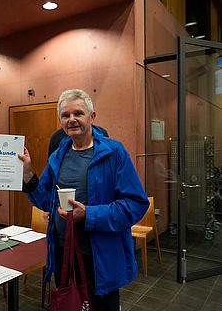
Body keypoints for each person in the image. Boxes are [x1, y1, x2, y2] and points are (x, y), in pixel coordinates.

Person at [18, 89, 149, 310]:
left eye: (78, 113)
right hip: (63, 253)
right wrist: (28, 175)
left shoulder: (113, 153)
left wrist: (88, 215)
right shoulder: (59, 154)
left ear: (92, 116)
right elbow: (45, 200)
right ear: (60, 120)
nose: (71, 120)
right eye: (65, 115)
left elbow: (135, 205)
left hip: (99, 257)